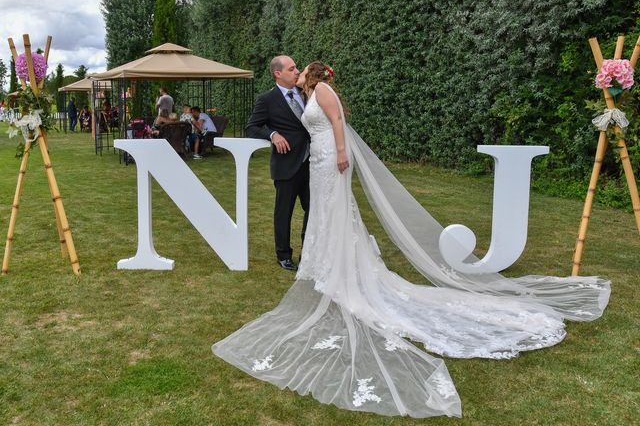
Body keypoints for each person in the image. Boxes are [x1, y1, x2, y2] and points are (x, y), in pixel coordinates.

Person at [212, 61, 611, 418]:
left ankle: (339, 268)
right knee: (321, 216)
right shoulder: (305, 95)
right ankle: (321, 264)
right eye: (292, 70)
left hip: (330, 162)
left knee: (335, 213)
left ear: (312, 73)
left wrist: (339, 153)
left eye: (301, 70)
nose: (296, 73)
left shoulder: (324, 91)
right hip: (313, 164)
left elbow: (337, 124)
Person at [245, 55, 311, 271]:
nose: (297, 71)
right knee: (284, 212)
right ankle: (283, 255)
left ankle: (308, 252)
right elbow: (252, 127)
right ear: (278, 73)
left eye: (297, 67)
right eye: (292, 68)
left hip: (313, 162)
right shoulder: (267, 99)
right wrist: (273, 134)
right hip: (286, 165)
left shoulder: (306, 92)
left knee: (314, 210)